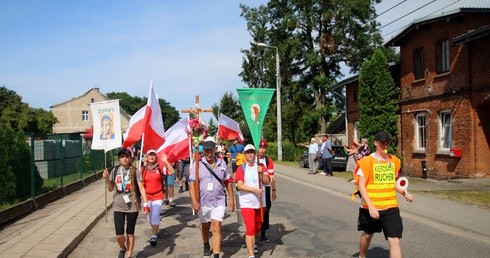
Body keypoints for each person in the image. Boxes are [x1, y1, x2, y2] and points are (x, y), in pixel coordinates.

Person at [355, 131, 413, 258]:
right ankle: (362, 255)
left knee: (395, 240)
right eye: (383, 143)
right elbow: (361, 185)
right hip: (370, 208)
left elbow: (393, 182)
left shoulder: (394, 161)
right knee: (368, 235)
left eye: (388, 143)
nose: (385, 146)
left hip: (390, 207)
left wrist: (404, 193)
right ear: (376, 143)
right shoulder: (367, 162)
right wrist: (371, 206)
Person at [189, 137, 235, 258]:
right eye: (206, 151)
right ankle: (205, 244)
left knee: (216, 226)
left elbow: (227, 181)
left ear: (215, 150)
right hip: (203, 201)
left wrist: (232, 199)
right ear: (203, 151)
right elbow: (192, 183)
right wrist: (194, 201)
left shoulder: (221, 163)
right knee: (205, 225)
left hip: (219, 201)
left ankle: (216, 255)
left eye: (211, 150)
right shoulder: (198, 164)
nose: (209, 153)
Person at [103, 148, 149, 258]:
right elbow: (110, 188)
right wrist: (106, 179)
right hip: (118, 206)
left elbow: (141, 188)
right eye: (122, 156)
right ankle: (123, 248)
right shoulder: (114, 170)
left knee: (130, 232)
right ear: (119, 158)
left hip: (133, 205)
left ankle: (129, 254)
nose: (124, 158)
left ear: (130, 159)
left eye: (126, 156)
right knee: (119, 234)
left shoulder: (135, 171)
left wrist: (146, 204)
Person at [235, 144, 270, 258]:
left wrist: (261, 173)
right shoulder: (242, 168)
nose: (250, 154)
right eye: (247, 152)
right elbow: (239, 185)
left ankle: (252, 243)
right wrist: (253, 190)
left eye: (252, 152)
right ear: (244, 155)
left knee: (258, 228)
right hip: (247, 202)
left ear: (255, 154)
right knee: (250, 228)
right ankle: (251, 255)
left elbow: (267, 182)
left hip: (260, 203)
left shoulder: (261, 166)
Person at [141, 149, 174, 246]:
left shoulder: (160, 168)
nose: (151, 157)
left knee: (155, 214)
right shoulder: (143, 169)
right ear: (147, 157)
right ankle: (155, 229)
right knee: (149, 216)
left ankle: (154, 236)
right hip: (147, 197)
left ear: (156, 157)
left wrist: (166, 161)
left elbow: (171, 172)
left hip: (158, 195)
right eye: (149, 155)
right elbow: (139, 183)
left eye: (153, 155)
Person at [256, 139, 276, 242]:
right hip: (255, 187)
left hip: (266, 187)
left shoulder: (268, 161)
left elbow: (272, 177)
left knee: (266, 209)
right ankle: (255, 230)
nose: (262, 150)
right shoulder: (254, 158)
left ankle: (263, 233)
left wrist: (273, 190)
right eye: (260, 147)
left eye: (264, 148)